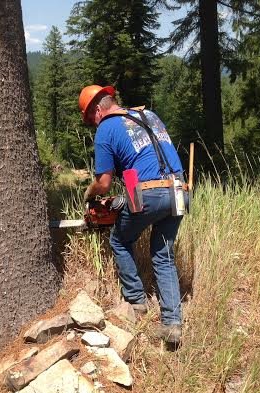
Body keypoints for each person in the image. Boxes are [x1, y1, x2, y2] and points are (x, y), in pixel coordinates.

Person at [79, 84, 185, 344]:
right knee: (163, 255)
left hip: (149, 191)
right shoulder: (147, 115)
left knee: (120, 239)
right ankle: (172, 324)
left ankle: (136, 303)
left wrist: (89, 195)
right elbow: (145, 161)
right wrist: (127, 200)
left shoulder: (106, 128)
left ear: (96, 111)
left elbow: (104, 183)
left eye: (89, 119)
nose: (93, 125)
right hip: (180, 189)